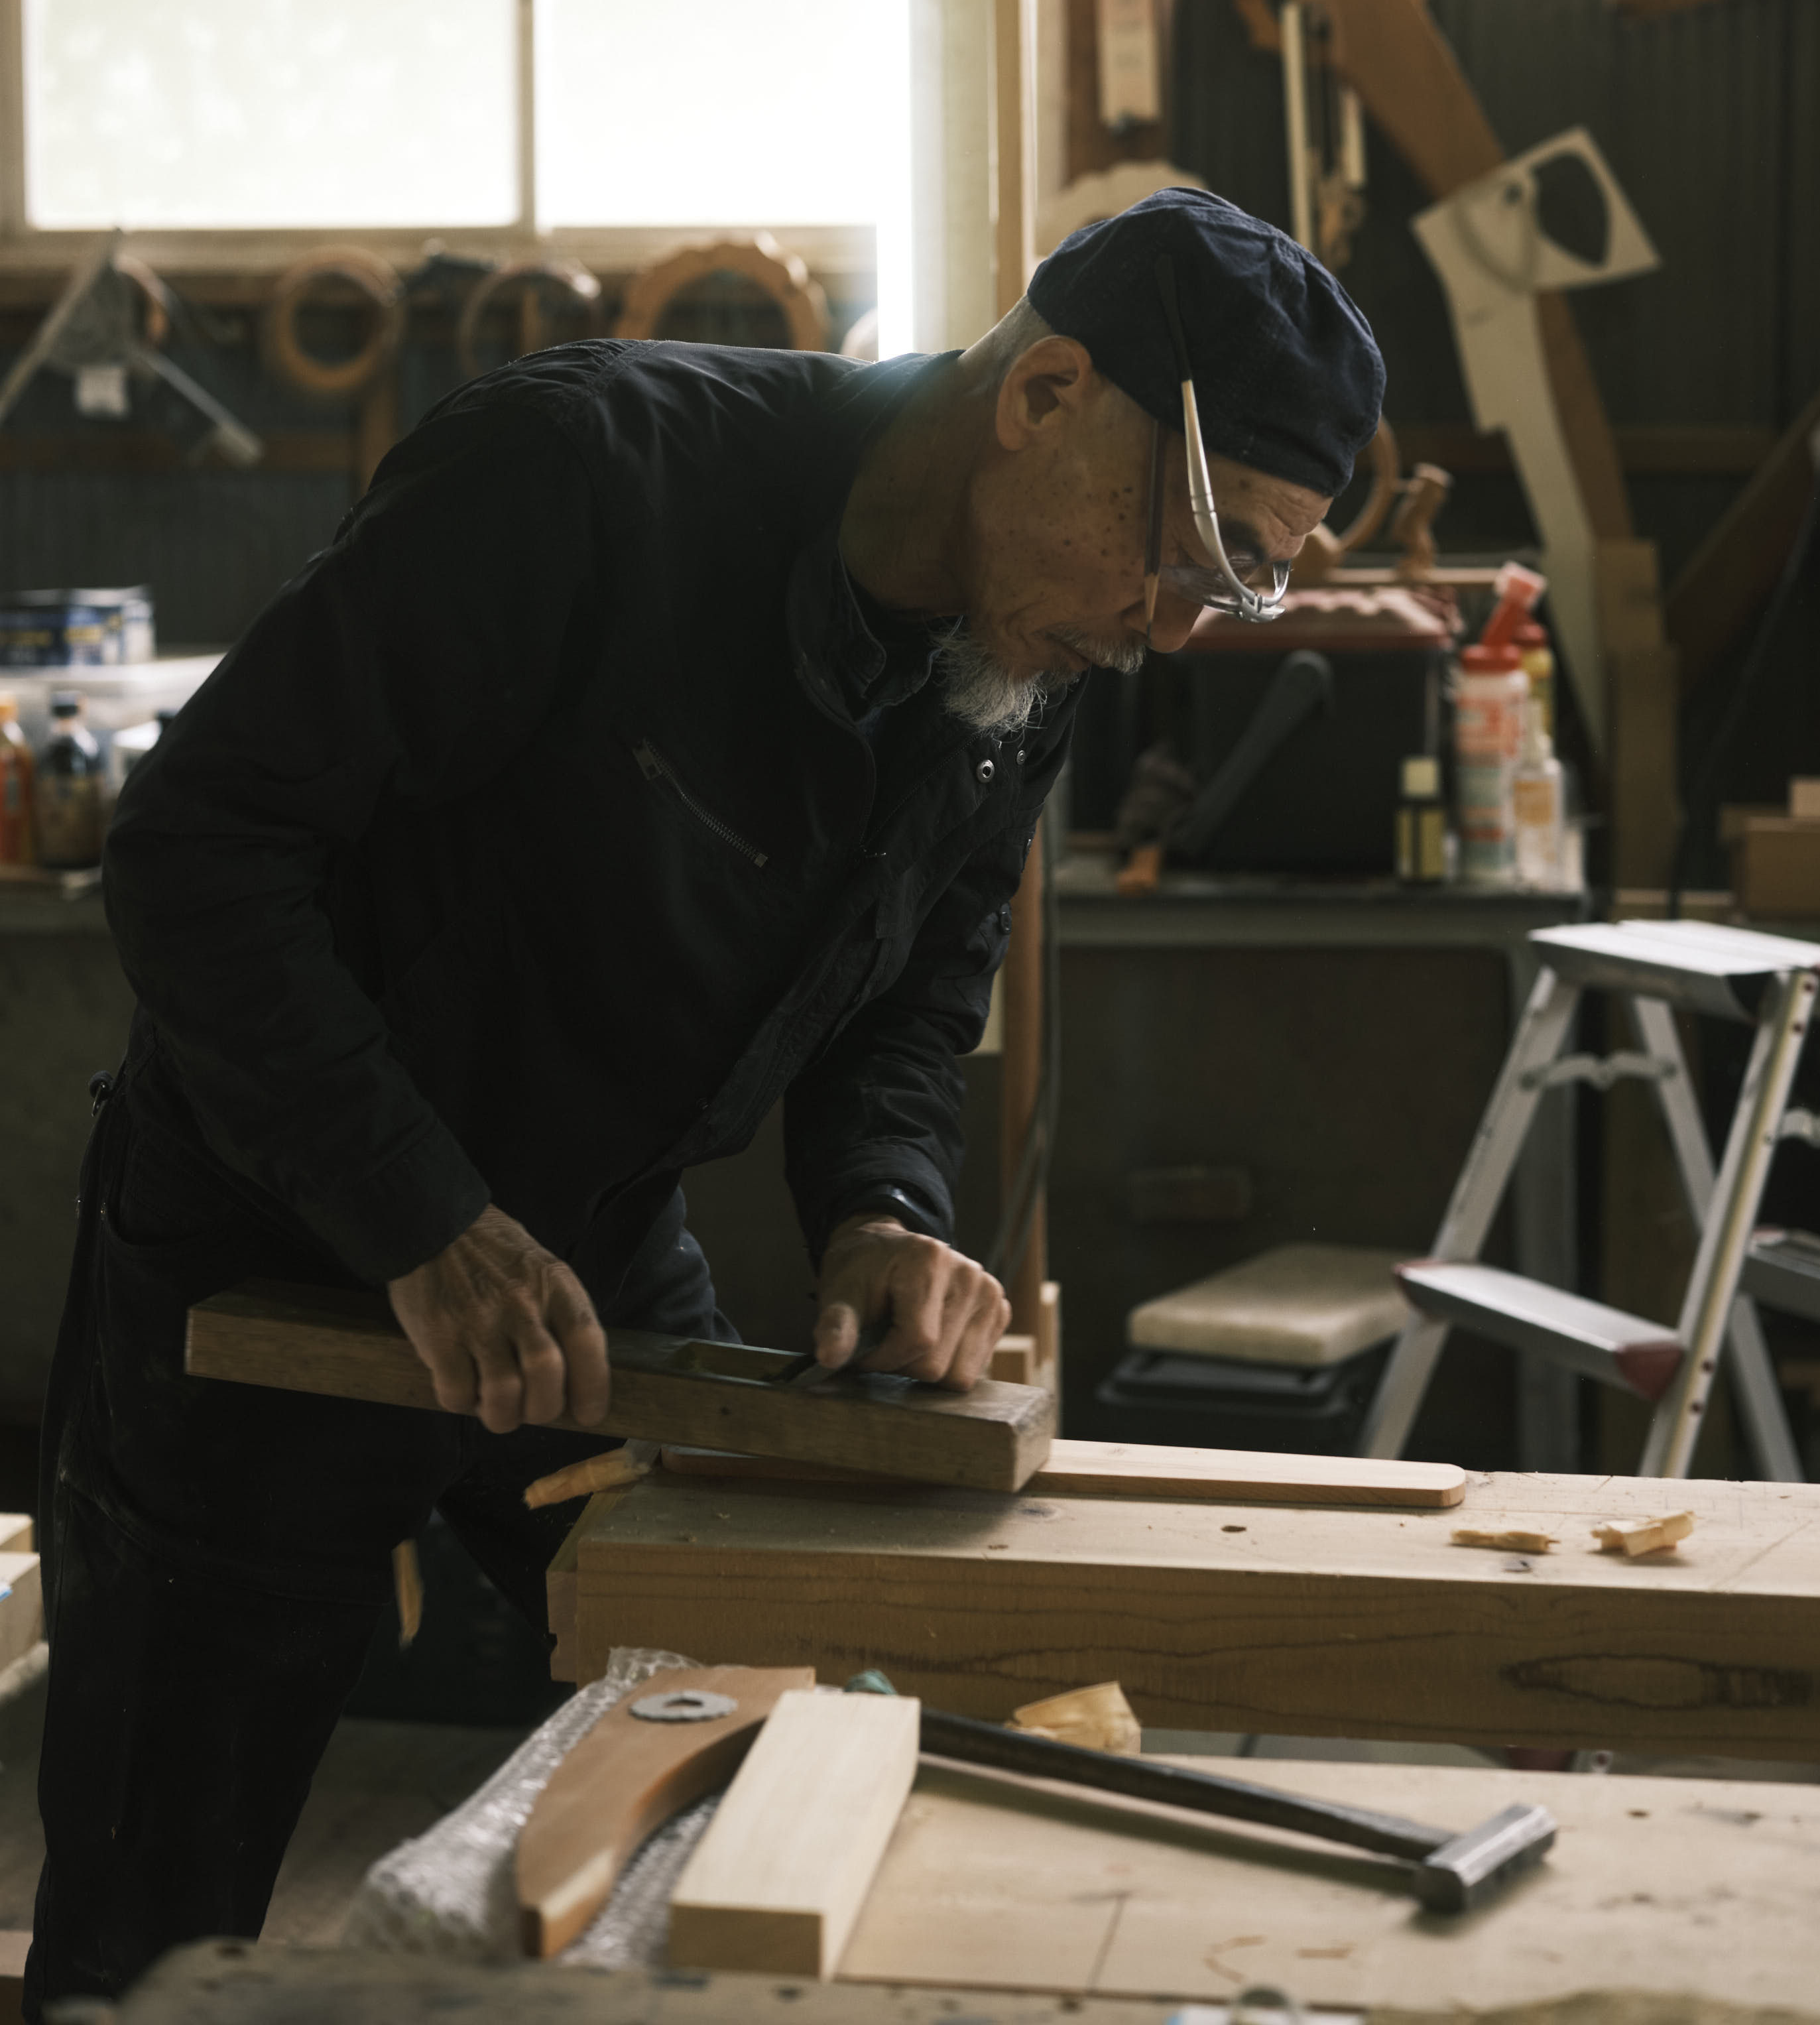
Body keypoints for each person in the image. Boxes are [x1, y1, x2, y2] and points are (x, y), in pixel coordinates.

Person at [26, 185, 1383, 2011]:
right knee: (153, 1918)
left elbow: (913, 998)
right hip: (270, 1241)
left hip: (585, 1261)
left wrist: (885, 1210)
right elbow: (198, 851)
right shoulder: (580, 481)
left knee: (773, 1757)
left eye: (1230, 589)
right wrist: (416, 1213)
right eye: (1182, 552)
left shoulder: (1025, 650)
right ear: (1047, 392)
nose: (1162, 629)